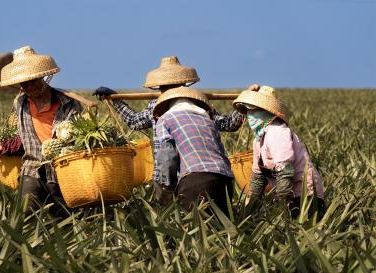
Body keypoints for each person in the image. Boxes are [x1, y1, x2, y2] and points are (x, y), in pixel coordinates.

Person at [93, 56, 246, 204]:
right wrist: (116, 100)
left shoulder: (165, 109)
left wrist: (246, 101)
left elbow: (166, 158)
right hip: (222, 175)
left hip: (181, 178)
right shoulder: (196, 105)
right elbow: (229, 124)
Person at [0, 46, 83, 215]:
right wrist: (2, 146)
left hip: (62, 169)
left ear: (42, 77)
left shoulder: (69, 103)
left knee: (65, 217)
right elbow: (24, 137)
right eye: (25, 83)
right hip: (32, 168)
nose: (29, 87)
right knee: (26, 213)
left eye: (33, 81)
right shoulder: (20, 104)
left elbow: (79, 139)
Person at [233, 85, 325, 219]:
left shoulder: (277, 131)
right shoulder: (259, 139)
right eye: (247, 111)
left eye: (253, 110)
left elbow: (285, 172)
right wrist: (248, 209)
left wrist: (278, 204)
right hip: (288, 193)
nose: (249, 115)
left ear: (266, 111)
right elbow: (257, 178)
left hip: (305, 193)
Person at [151, 86, 237, 213]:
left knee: (192, 230)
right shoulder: (208, 120)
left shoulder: (165, 119)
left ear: (170, 105)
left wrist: (167, 188)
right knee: (222, 229)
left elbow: (168, 157)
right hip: (225, 179)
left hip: (196, 179)